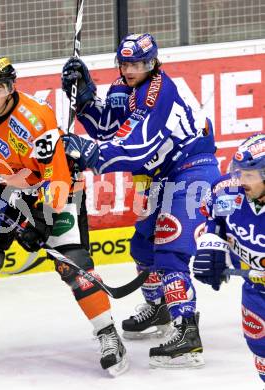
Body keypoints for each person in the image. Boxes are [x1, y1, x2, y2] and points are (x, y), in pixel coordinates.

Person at [0, 56, 128, 376]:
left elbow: (56, 174)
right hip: (8, 184)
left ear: (10, 88)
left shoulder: (37, 118)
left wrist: (42, 221)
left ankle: (108, 335)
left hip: (56, 187)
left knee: (72, 265)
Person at [61, 33, 220, 368]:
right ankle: (160, 306)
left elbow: (139, 149)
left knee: (169, 250)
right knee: (143, 247)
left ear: (153, 63)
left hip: (192, 170)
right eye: (126, 63)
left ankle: (187, 331)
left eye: (139, 64)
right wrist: (84, 99)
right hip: (163, 176)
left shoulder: (158, 93)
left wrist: (90, 154)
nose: (131, 70)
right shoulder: (123, 87)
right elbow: (108, 128)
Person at [193, 133, 265, 384]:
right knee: (262, 355)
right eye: (239, 171)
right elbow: (212, 220)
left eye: (249, 175)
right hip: (256, 292)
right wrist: (210, 248)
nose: (240, 179)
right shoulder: (226, 192)